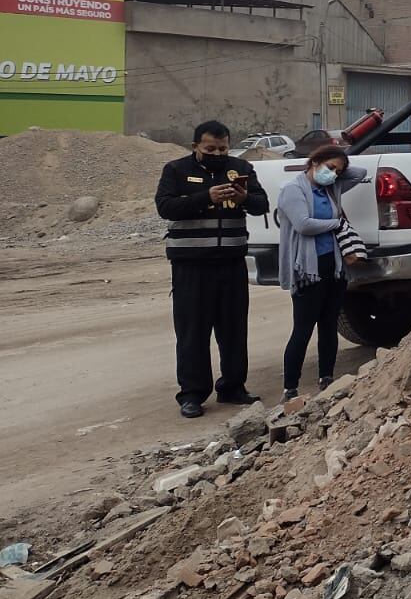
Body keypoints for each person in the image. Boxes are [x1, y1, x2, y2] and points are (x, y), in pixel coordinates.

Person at [154, 119, 269, 418]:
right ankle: (192, 394)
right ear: (195, 147)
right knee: (193, 331)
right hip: (191, 266)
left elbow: (261, 204)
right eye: (210, 148)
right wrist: (206, 197)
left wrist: (244, 197)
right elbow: (165, 207)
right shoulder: (176, 170)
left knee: (233, 329)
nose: (217, 153)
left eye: (222, 148)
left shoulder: (240, 168)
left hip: (231, 264)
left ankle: (232, 386)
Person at [277, 144, 369, 401]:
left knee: (329, 325)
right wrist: (337, 223)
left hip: (333, 265)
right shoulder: (292, 190)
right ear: (314, 162)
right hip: (307, 269)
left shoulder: (330, 188)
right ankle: (290, 387)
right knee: (303, 328)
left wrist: (340, 162)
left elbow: (358, 174)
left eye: (337, 172)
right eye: (329, 167)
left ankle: (326, 377)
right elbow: (304, 225)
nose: (334, 175)